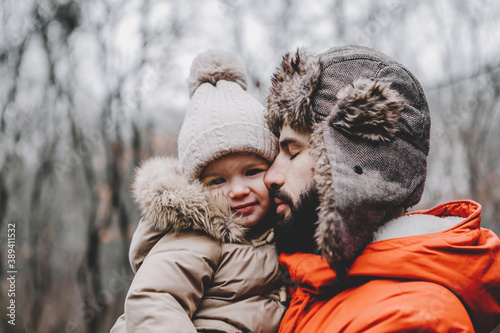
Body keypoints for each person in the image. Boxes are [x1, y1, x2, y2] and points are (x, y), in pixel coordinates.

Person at [264, 44, 500, 332]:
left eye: (292, 151)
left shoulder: (410, 316)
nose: (271, 176)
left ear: (351, 166)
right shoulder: (312, 290)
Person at [111, 49, 286, 333]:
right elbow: (154, 299)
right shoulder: (197, 236)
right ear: (197, 190)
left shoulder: (283, 230)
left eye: (252, 172)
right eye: (218, 181)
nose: (238, 190)